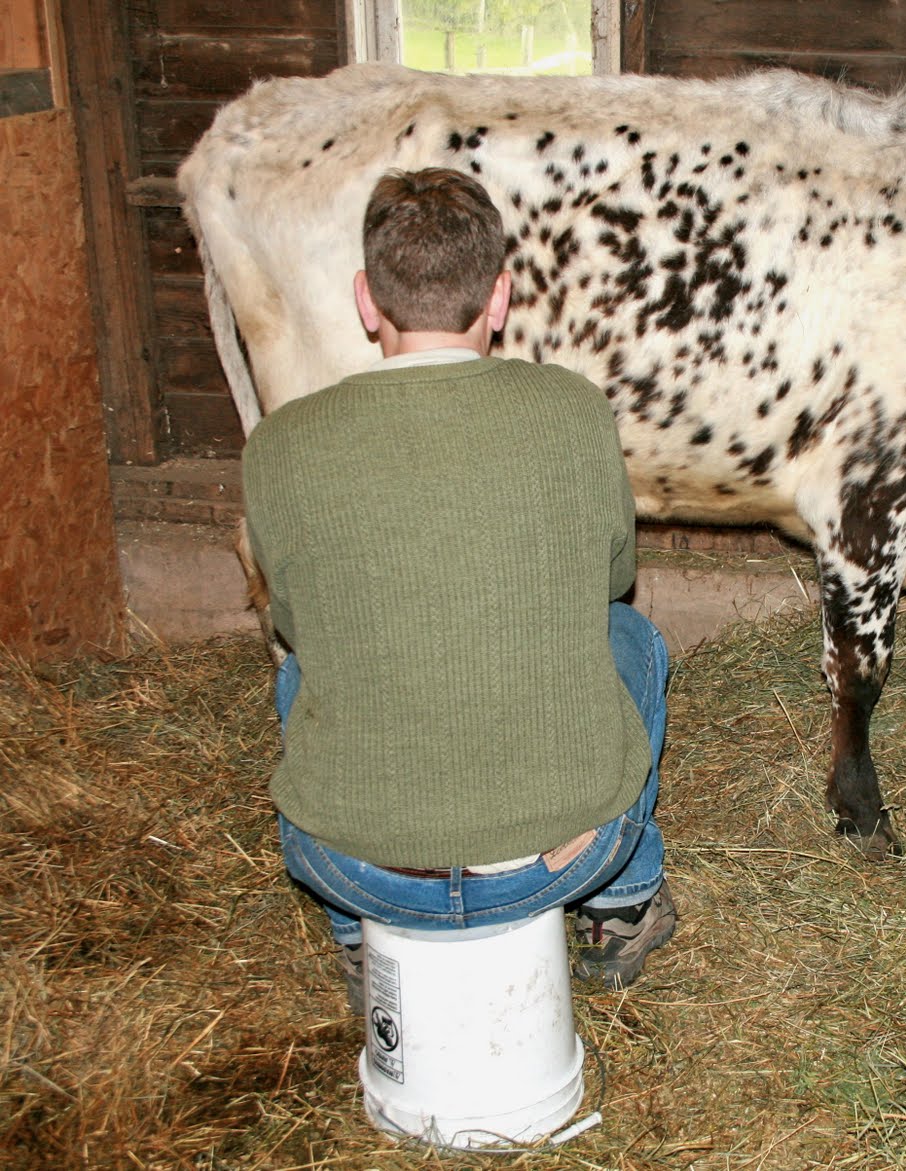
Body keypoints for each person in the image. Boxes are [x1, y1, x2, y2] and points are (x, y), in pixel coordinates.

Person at [241, 167, 676, 1006]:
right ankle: (620, 905)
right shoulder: (572, 409)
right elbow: (615, 577)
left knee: (301, 668)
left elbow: (292, 621)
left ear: (367, 301)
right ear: (500, 295)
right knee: (631, 638)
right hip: (564, 855)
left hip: (352, 866)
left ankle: (356, 936)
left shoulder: (282, 443)